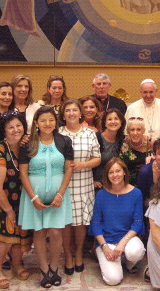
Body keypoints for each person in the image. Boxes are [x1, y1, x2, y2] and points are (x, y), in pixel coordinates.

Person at [17, 106, 74, 288]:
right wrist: (33, 197)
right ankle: (43, 269)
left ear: (56, 122)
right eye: (43, 120)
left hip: (59, 195)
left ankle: (54, 267)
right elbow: (23, 174)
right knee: (39, 232)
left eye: (51, 120)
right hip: (34, 195)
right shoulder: (27, 144)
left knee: (57, 232)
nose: (47, 124)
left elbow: (68, 170)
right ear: (36, 123)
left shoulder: (64, 141)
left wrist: (60, 194)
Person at [0, 111, 33, 288]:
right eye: (10, 127)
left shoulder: (26, 147)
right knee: (4, 236)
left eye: (18, 126)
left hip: (23, 201)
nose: (15, 130)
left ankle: (17, 264)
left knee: (20, 235)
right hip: (3, 203)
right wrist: (8, 210)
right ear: (3, 130)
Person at [58, 99, 102, 275]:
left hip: (83, 183)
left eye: (74, 110)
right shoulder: (57, 134)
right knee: (66, 222)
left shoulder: (89, 133)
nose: (71, 113)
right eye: (67, 110)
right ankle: (68, 254)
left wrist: (82, 165)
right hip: (63, 185)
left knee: (81, 223)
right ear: (63, 114)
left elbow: (97, 158)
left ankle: (78, 254)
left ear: (80, 113)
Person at [91, 158, 146, 285]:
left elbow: (138, 222)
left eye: (118, 171)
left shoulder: (136, 193)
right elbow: (96, 224)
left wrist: (121, 244)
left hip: (127, 239)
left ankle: (128, 263)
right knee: (113, 280)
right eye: (111, 172)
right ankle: (110, 260)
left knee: (136, 252)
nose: (115, 175)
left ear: (124, 172)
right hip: (106, 241)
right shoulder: (101, 195)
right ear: (107, 175)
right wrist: (104, 247)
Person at [94, 108, 126, 184]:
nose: (113, 122)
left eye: (116, 119)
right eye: (109, 119)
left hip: (116, 183)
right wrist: (92, 181)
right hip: (98, 184)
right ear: (105, 122)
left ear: (121, 122)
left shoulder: (122, 139)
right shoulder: (96, 138)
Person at [120, 116, 152, 186]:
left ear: (143, 130)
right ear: (128, 131)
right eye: (132, 130)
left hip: (146, 181)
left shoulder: (150, 142)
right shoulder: (123, 143)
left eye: (138, 130)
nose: (135, 133)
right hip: (127, 183)